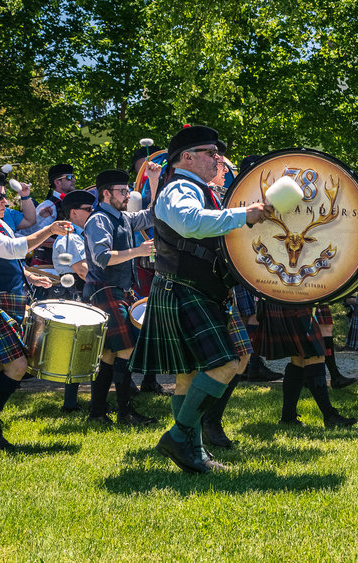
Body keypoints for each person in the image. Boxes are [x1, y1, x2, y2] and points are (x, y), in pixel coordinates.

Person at [129, 125, 269, 474]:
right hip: (183, 287)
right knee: (225, 364)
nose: (218, 158)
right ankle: (179, 436)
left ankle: (193, 451)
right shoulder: (179, 188)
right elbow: (191, 224)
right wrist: (243, 215)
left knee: (188, 376)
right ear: (186, 157)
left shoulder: (203, 190)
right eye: (210, 152)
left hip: (198, 288)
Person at [0, 170, 70, 449]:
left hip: (4, 298)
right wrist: (49, 230)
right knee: (19, 365)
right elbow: (11, 249)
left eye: (6, 195)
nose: (6, 201)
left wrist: (28, 275)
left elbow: (8, 258)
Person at [83, 170, 161, 427]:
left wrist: (153, 180)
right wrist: (137, 251)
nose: (128, 195)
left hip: (118, 291)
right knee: (126, 349)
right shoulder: (99, 220)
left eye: (128, 191)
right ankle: (126, 413)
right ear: (106, 193)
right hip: (104, 290)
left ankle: (97, 412)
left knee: (107, 355)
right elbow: (103, 257)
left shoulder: (124, 218)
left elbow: (153, 213)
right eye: (122, 191)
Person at [50, 189, 97, 413]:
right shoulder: (70, 237)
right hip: (75, 294)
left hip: (82, 292)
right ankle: (69, 403)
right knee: (78, 348)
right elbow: (81, 270)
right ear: (74, 212)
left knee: (90, 346)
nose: (93, 212)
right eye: (89, 209)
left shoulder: (82, 234)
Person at [31, 163, 77, 265]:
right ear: (58, 182)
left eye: (74, 177)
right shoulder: (49, 205)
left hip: (65, 263)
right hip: (47, 265)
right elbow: (37, 236)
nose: (74, 180)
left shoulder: (69, 202)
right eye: (69, 177)